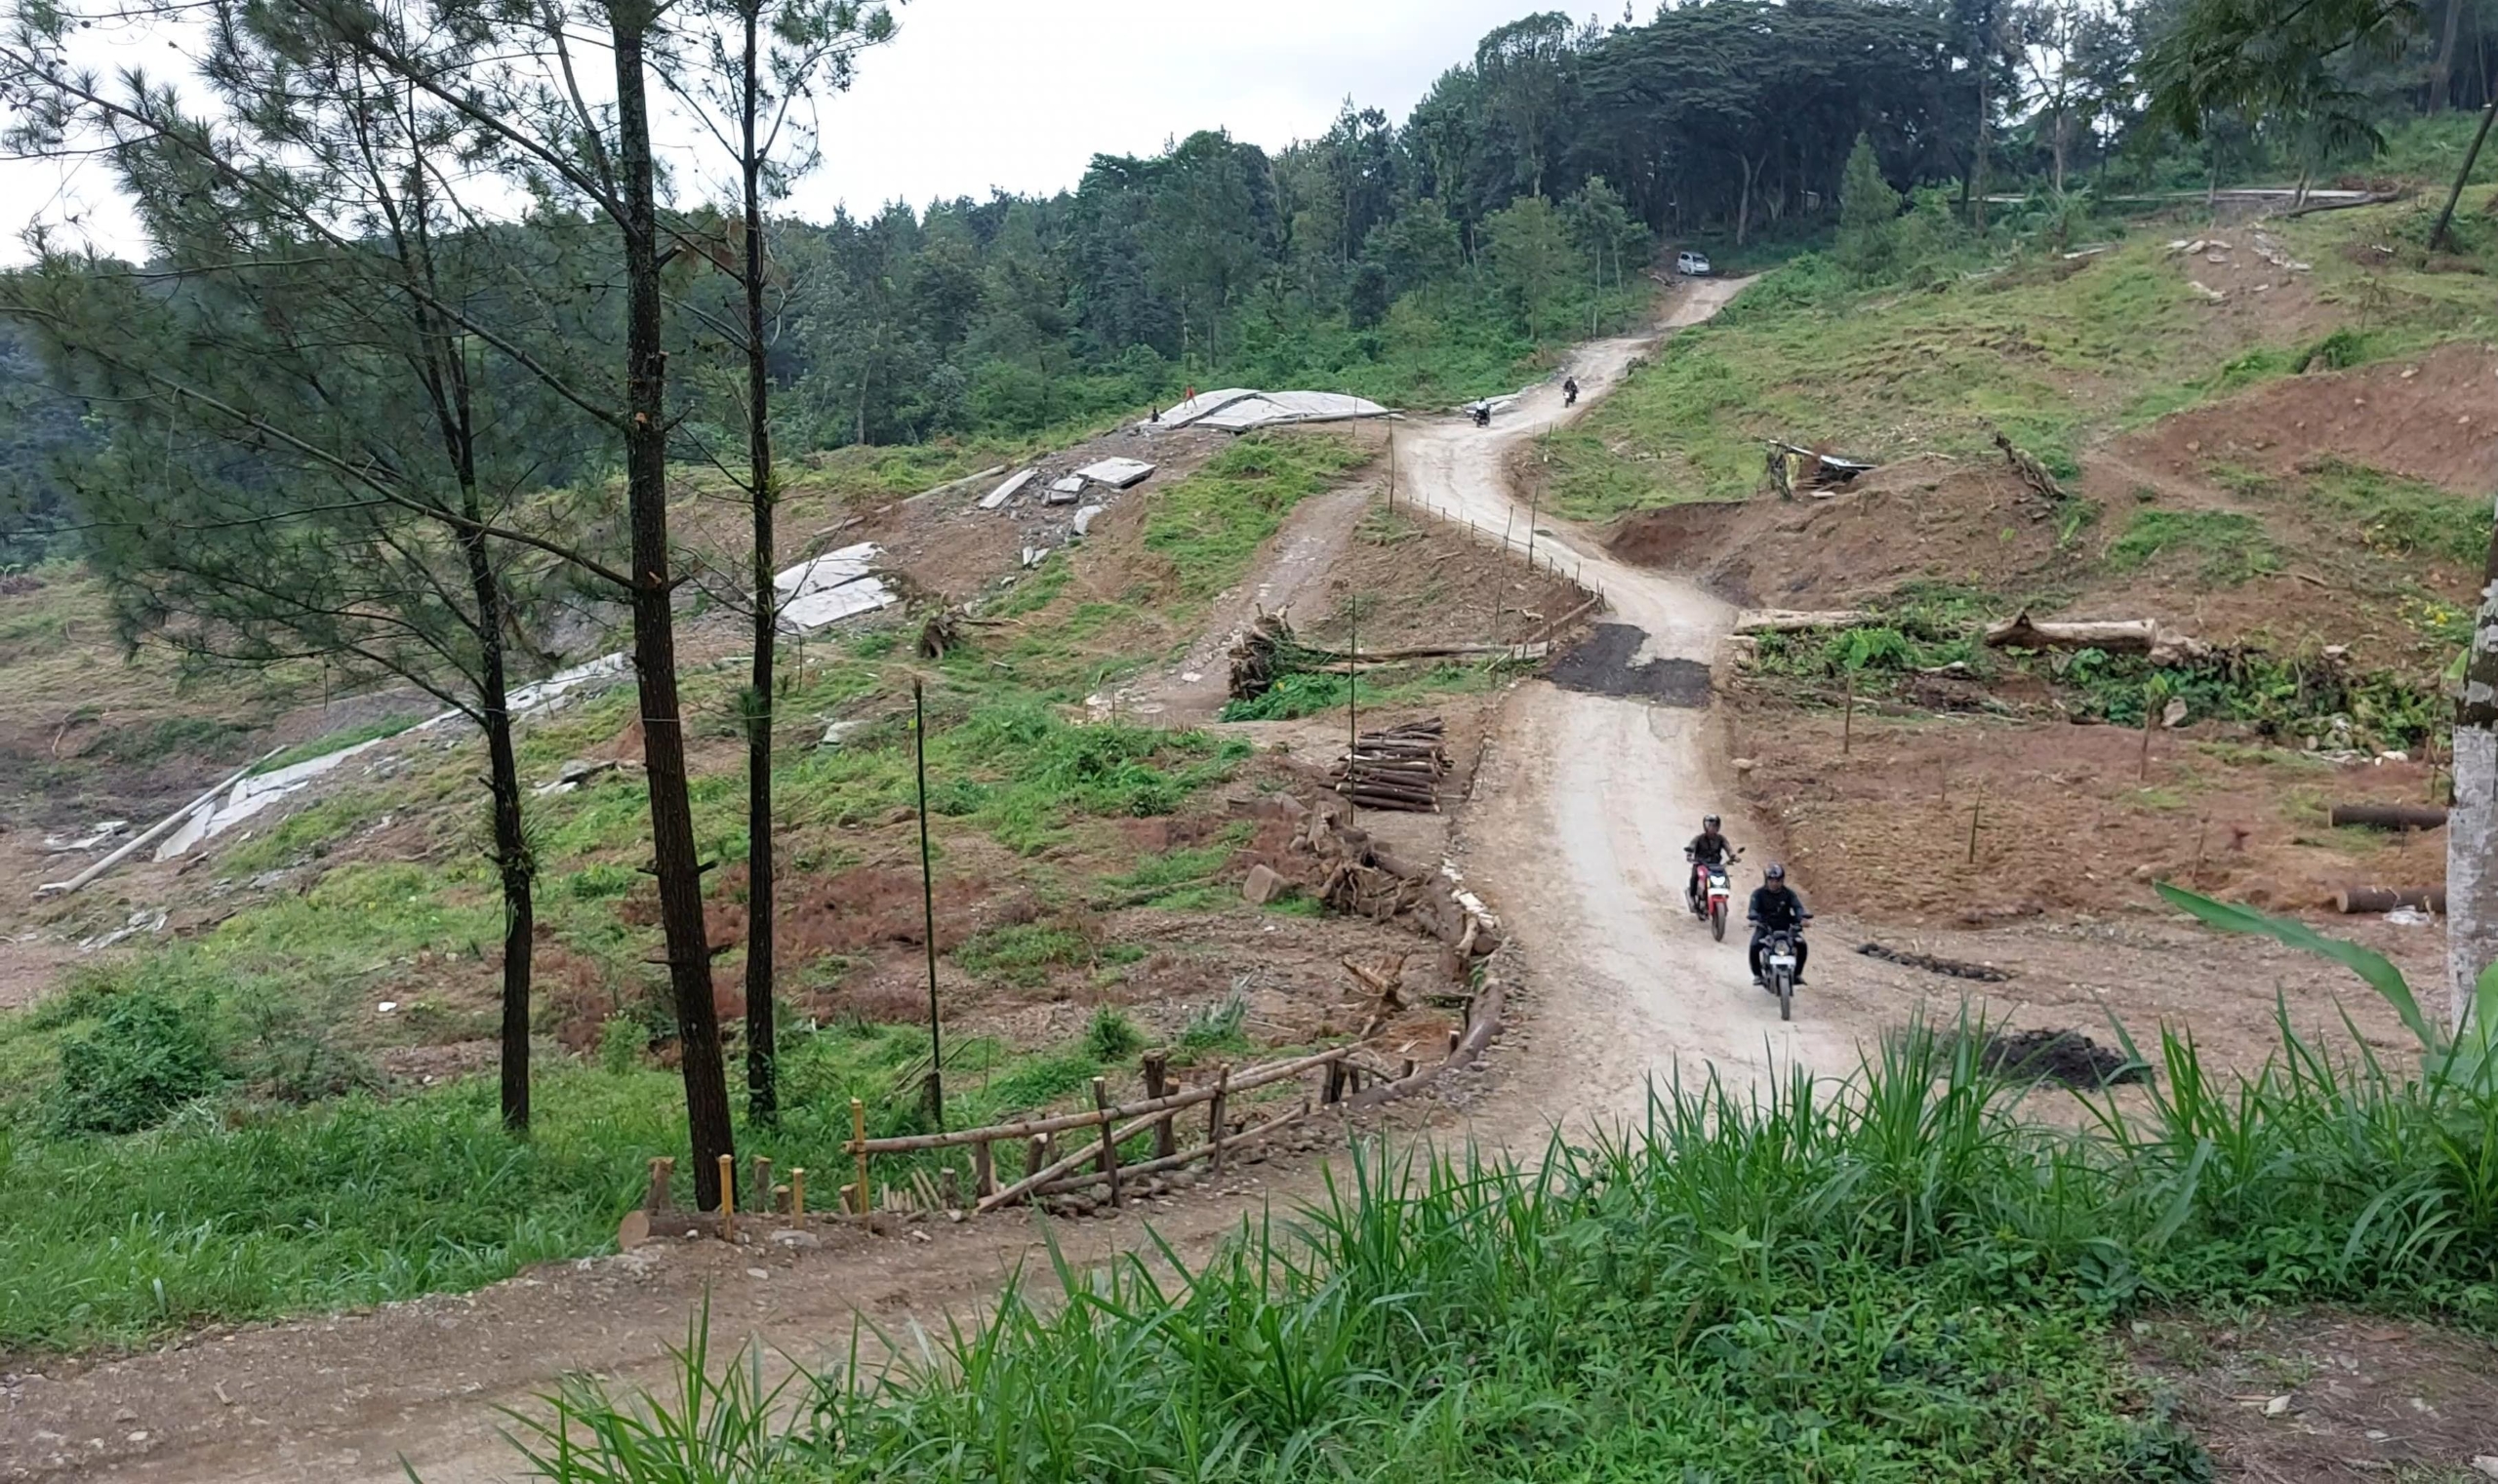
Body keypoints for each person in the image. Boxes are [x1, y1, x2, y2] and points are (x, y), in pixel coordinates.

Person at [1747, 863, 1811, 986]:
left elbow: (1798, 907)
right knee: (1754, 946)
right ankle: (1758, 975)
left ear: (1782, 880)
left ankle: (1797, 975)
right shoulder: (1758, 894)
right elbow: (1753, 909)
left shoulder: (1789, 894)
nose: (1774, 883)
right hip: (1765, 927)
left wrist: (1801, 918)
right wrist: (1754, 918)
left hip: (1786, 928)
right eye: (1771, 880)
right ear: (1766, 880)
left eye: (1778, 880)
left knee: (1802, 945)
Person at [1683, 814, 1735, 909]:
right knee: (1694, 877)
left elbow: (1728, 847)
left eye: (1714, 826)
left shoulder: (1721, 839)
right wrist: (1689, 853)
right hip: (1700, 864)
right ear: (1705, 826)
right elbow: (1692, 846)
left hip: (1716, 866)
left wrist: (1732, 855)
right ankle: (1692, 896)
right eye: (1709, 826)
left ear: (1718, 827)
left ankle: (1723, 895)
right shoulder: (1699, 838)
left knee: (1725, 878)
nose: (1712, 828)